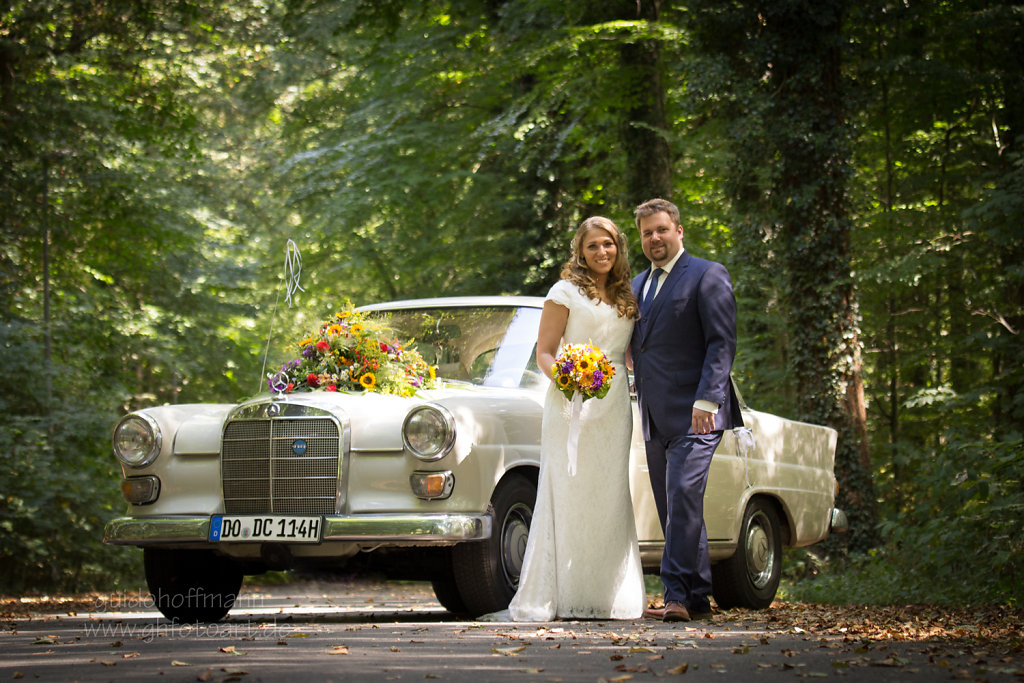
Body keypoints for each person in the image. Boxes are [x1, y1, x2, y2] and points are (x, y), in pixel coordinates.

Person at [498, 216, 647, 621]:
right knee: (567, 492)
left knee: (610, 495)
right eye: (594, 245)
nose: (602, 252)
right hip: (570, 403)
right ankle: (560, 594)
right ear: (580, 251)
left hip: (615, 404)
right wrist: (569, 379)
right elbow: (545, 351)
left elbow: (631, 353)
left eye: (609, 244)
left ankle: (604, 596)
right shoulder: (564, 292)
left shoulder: (628, 295)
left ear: (619, 248)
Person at [628, 198, 743, 622]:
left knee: (681, 496)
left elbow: (721, 342)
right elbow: (639, 345)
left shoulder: (707, 274)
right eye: (646, 233)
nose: (654, 238)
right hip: (655, 414)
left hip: (700, 411)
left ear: (679, 231)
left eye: (661, 229)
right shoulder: (637, 285)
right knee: (675, 504)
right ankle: (697, 597)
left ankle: (674, 594)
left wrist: (708, 399)